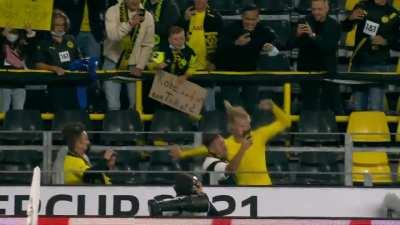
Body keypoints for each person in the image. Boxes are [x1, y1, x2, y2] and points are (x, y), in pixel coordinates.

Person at [170, 99, 291, 186]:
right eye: (241, 126)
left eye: (246, 125)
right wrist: (183, 154)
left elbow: (286, 122)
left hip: (265, 187)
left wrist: (273, 107)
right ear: (232, 127)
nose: (245, 129)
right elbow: (205, 149)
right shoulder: (226, 144)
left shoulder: (259, 135)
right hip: (243, 191)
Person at [215, 4, 280, 114]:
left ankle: (250, 129)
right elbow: (219, 50)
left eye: (253, 19)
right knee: (233, 109)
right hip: (228, 72)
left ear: (258, 19)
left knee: (252, 107)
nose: (250, 22)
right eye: (247, 19)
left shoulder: (263, 31)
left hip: (250, 72)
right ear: (242, 17)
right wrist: (236, 43)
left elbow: (279, 46)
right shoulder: (230, 29)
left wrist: (272, 48)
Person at [342, 0, 400, 111]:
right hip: (359, 62)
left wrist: (386, 41)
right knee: (358, 108)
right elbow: (345, 28)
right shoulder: (363, 6)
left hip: (379, 65)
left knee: (375, 108)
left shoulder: (394, 14)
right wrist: (350, 19)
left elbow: (398, 43)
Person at [291, 0, 344, 114]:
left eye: (319, 9)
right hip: (307, 71)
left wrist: (312, 35)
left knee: (333, 105)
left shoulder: (334, 25)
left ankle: (337, 130)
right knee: (308, 105)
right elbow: (289, 44)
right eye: (314, 9)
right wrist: (297, 35)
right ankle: (308, 130)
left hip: (328, 71)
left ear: (327, 9)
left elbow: (328, 47)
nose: (316, 12)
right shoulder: (304, 21)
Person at [103, 0, 155, 111]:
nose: (134, 1)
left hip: (134, 66)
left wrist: (140, 66)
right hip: (113, 62)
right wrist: (130, 24)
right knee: (113, 106)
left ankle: (134, 128)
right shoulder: (112, 11)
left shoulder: (148, 16)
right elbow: (113, 36)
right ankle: (113, 128)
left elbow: (148, 45)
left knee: (136, 107)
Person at [176, 0, 223, 111]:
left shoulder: (215, 17)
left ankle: (209, 126)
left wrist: (214, 62)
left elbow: (221, 43)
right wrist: (184, 20)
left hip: (206, 68)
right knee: (186, 108)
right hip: (186, 68)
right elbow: (172, 35)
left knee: (209, 108)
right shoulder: (185, 13)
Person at [35, 9, 82, 111]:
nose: (61, 28)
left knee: (73, 112)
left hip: (71, 84)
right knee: (58, 113)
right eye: (57, 25)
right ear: (51, 25)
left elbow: (79, 58)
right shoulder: (44, 42)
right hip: (54, 84)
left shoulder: (71, 39)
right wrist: (54, 68)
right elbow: (38, 64)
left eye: (63, 25)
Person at [0, 27, 37, 112]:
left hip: (19, 84)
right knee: (2, 112)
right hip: (3, 84)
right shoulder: (1, 43)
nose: (12, 33)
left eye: (15, 31)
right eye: (10, 30)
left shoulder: (22, 44)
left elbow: (32, 50)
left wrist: (30, 35)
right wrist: (2, 36)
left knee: (18, 113)